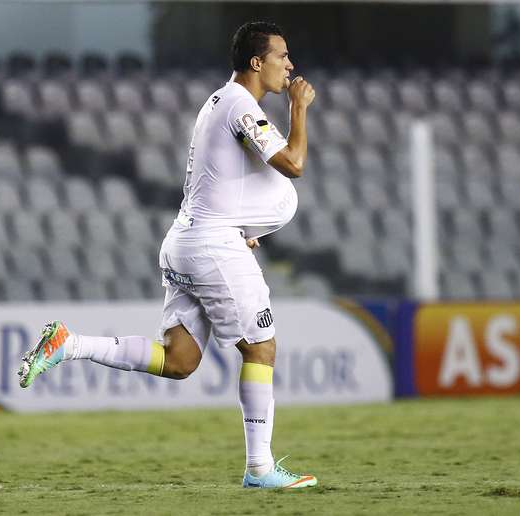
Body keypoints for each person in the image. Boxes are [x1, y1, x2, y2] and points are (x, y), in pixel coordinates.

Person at [18, 21, 318, 489]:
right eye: (283, 55)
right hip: (211, 245)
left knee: (179, 361)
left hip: (186, 240)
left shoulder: (221, 102)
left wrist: (246, 224)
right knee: (260, 347)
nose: (290, 65)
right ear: (257, 63)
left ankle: (68, 344)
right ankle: (260, 469)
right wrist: (299, 109)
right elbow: (294, 165)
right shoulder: (243, 106)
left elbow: (225, 181)